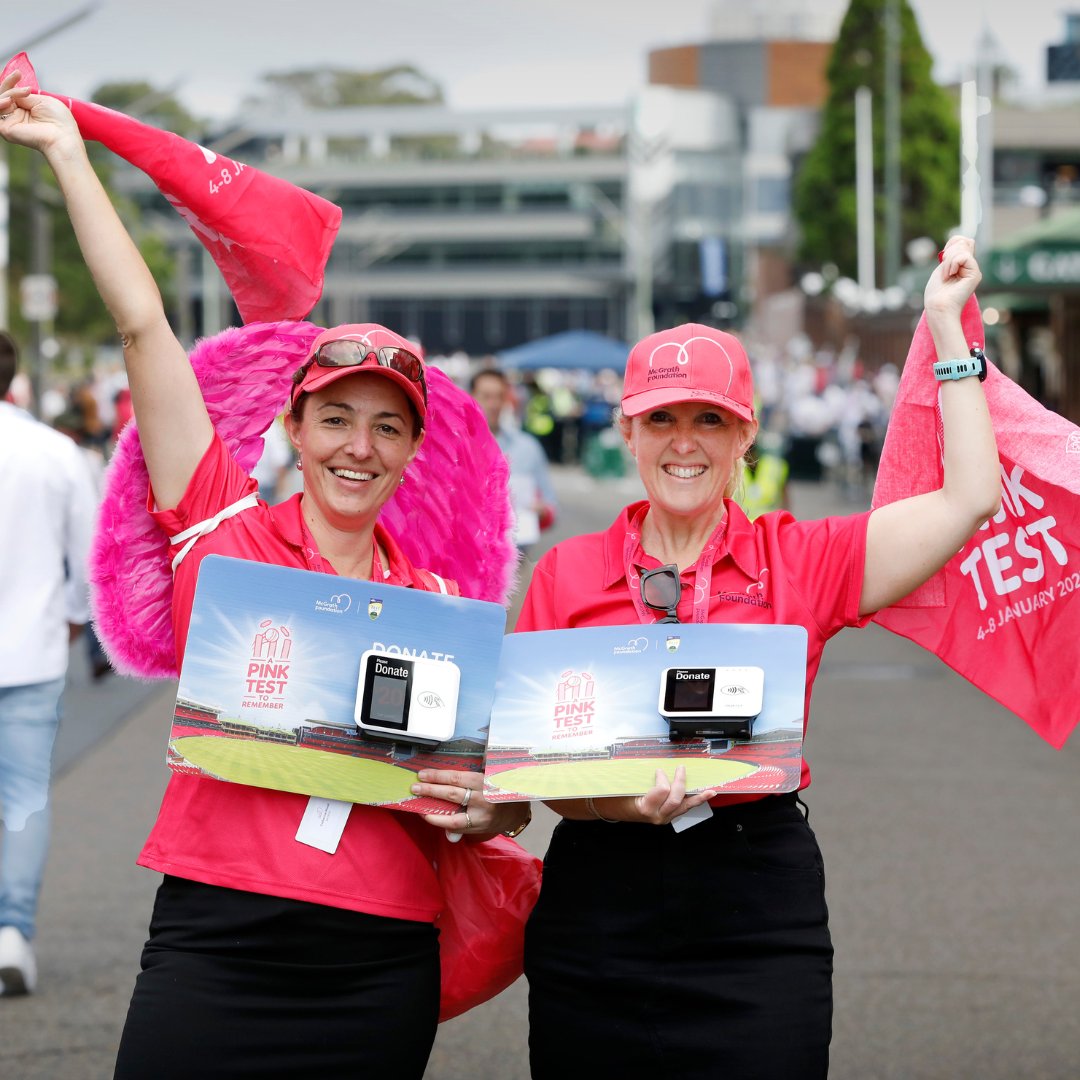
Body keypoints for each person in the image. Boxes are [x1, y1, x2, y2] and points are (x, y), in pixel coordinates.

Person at [0, 70, 529, 1077]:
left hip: (380, 954)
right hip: (216, 941)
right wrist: (71, 156)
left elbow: (490, 795)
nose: (358, 447)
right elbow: (144, 330)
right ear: (294, 426)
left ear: (413, 450)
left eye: (387, 426)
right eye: (335, 417)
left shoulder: (440, 609)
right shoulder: (221, 534)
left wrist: (496, 806)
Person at [514, 237, 999, 1079]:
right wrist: (610, 808)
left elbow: (968, 498)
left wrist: (944, 328)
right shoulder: (566, 573)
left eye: (711, 419)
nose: (684, 442)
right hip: (598, 905)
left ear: (748, 435)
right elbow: (532, 762)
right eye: (660, 418)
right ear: (627, 430)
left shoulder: (801, 557)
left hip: (752, 909)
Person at [0, 331, 98, 996]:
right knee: (24, 797)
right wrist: (69, 615)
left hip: (34, 644)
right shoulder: (55, 452)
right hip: (30, 648)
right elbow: (90, 555)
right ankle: (11, 932)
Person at [470, 367, 557, 556]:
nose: (493, 404)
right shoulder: (452, 447)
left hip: (514, 560)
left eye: (499, 396)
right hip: (463, 559)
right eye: (486, 396)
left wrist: (542, 512)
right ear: (470, 397)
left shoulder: (528, 447)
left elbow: (551, 507)